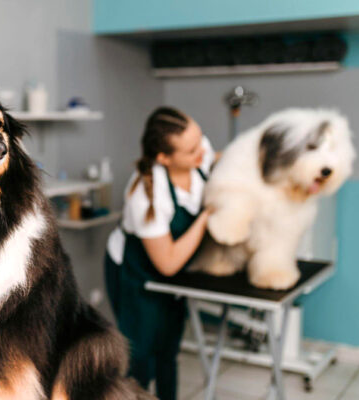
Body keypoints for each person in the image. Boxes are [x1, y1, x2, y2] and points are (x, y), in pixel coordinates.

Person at [103, 106, 218, 400]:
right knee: (140, 358)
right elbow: (167, 263)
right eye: (192, 151)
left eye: (200, 141)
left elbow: (213, 156)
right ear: (164, 158)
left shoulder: (197, 151)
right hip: (135, 275)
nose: (202, 152)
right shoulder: (146, 195)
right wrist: (207, 215)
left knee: (168, 350)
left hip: (172, 276)